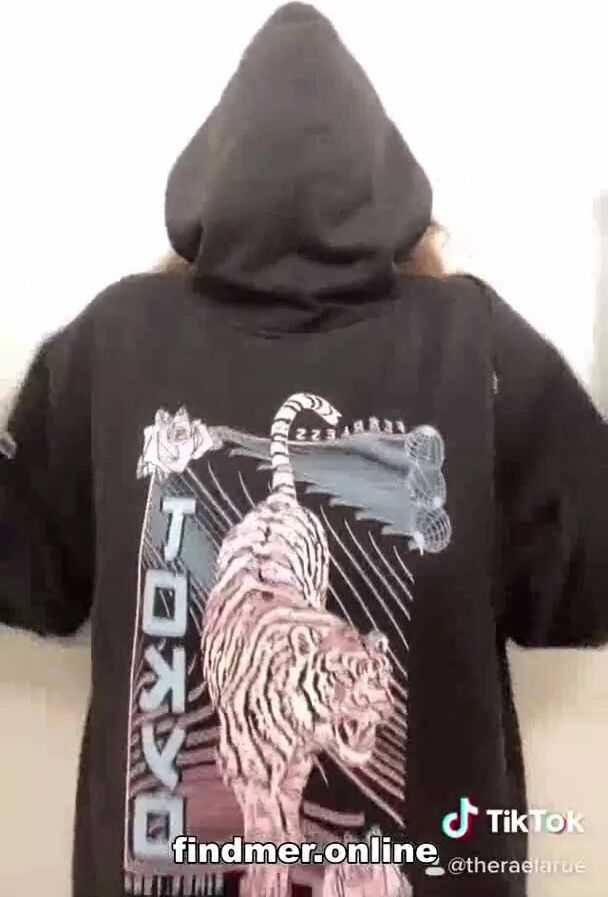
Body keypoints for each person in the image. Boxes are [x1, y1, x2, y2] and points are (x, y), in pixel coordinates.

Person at [1, 4, 606, 897]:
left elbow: (23, 568)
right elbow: (588, 584)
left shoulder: (115, 341)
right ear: (392, 194)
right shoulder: (476, 346)